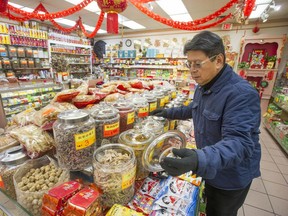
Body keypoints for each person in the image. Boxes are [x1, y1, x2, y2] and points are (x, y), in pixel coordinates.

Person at [151, 31, 261, 216]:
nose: (192, 70)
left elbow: (240, 143)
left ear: (218, 61)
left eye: (198, 64)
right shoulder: (205, 85)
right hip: (212, 165)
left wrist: (199, 159)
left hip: (230, 177)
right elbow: (195, 108)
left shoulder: (241, 94)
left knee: (219, 211)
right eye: (189, 64)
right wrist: (168, 113)